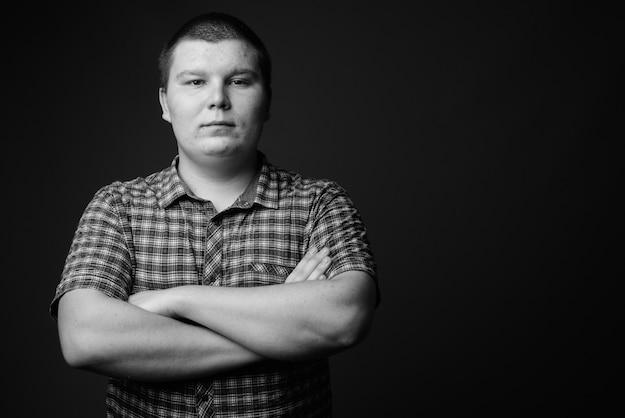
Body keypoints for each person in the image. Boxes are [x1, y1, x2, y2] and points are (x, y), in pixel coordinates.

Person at [51, 11, 379, 418]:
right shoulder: (117, 206)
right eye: (194, 81)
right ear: (165, 103)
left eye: (239, 81)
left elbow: (343, 319)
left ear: (267, 100)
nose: (218, 99)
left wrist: (176, 301)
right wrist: (282, 333)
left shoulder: (320, 203)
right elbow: (85, 338)